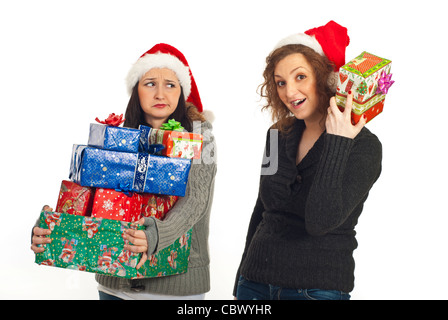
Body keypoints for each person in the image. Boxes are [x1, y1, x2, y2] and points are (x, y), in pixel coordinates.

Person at [31, 43, 217, 300]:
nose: (160, 94)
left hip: (174, 289)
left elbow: (195, 201)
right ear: (136, 90)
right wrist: (53, 228)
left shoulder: (200, 136)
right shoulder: (116, 133)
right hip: (114, 285)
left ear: (182, 92)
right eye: (150, 83)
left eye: (171, 85)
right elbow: (91, 196)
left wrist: (154, 235)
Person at [234, 21, 382, 300]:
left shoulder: (364, 147)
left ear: (325, 77)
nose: (290, 92)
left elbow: (320, 221)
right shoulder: (278, 135)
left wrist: (338, 141)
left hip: (316, 289)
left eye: (300, 77)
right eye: (281, 82)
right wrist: (240, 279)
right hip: (253, 285)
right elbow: (262, 210)